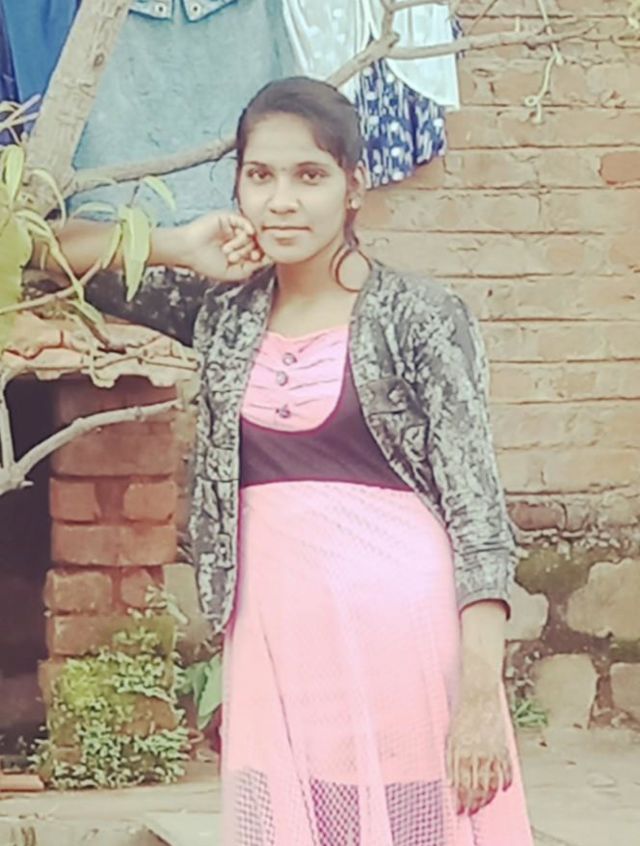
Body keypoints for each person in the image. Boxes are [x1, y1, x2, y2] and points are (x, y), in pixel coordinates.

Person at [55, 77, 533, 846]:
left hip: (403, 639)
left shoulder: (418, 317)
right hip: (277, 643)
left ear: (354, 186)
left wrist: (481, 692)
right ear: (238, 186)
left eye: (309, 176)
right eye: (261, 175)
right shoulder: (221, 311)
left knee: (408, 825)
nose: (282, 201)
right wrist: (177, 245)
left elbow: (478, 515)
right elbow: (45, 254)